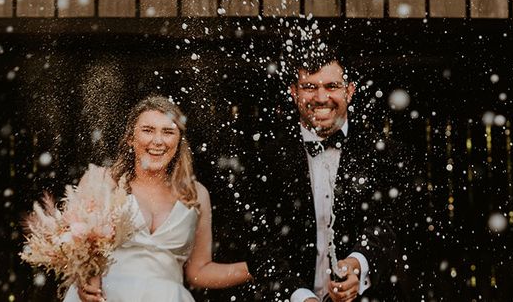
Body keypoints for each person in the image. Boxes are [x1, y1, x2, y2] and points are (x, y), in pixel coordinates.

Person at [240, 40, 410, 302]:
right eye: (310, 87)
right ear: (294, 92)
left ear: (349, 91)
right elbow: (259, 242)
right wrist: (298, 295)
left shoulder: (383, 152)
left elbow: (390, 224)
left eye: (331, 86)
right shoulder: (266, 157)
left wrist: (357, 264)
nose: (321, 98)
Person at [64, 94, 252, 302]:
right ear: (130, 137)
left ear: (179, 139)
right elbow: (71, 247)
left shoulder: (196, 194)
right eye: (147, 130)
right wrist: (83, 277)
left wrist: (254, 268)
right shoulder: (102, 181)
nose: (158, 141)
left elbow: (199, 272)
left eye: (168, 132)